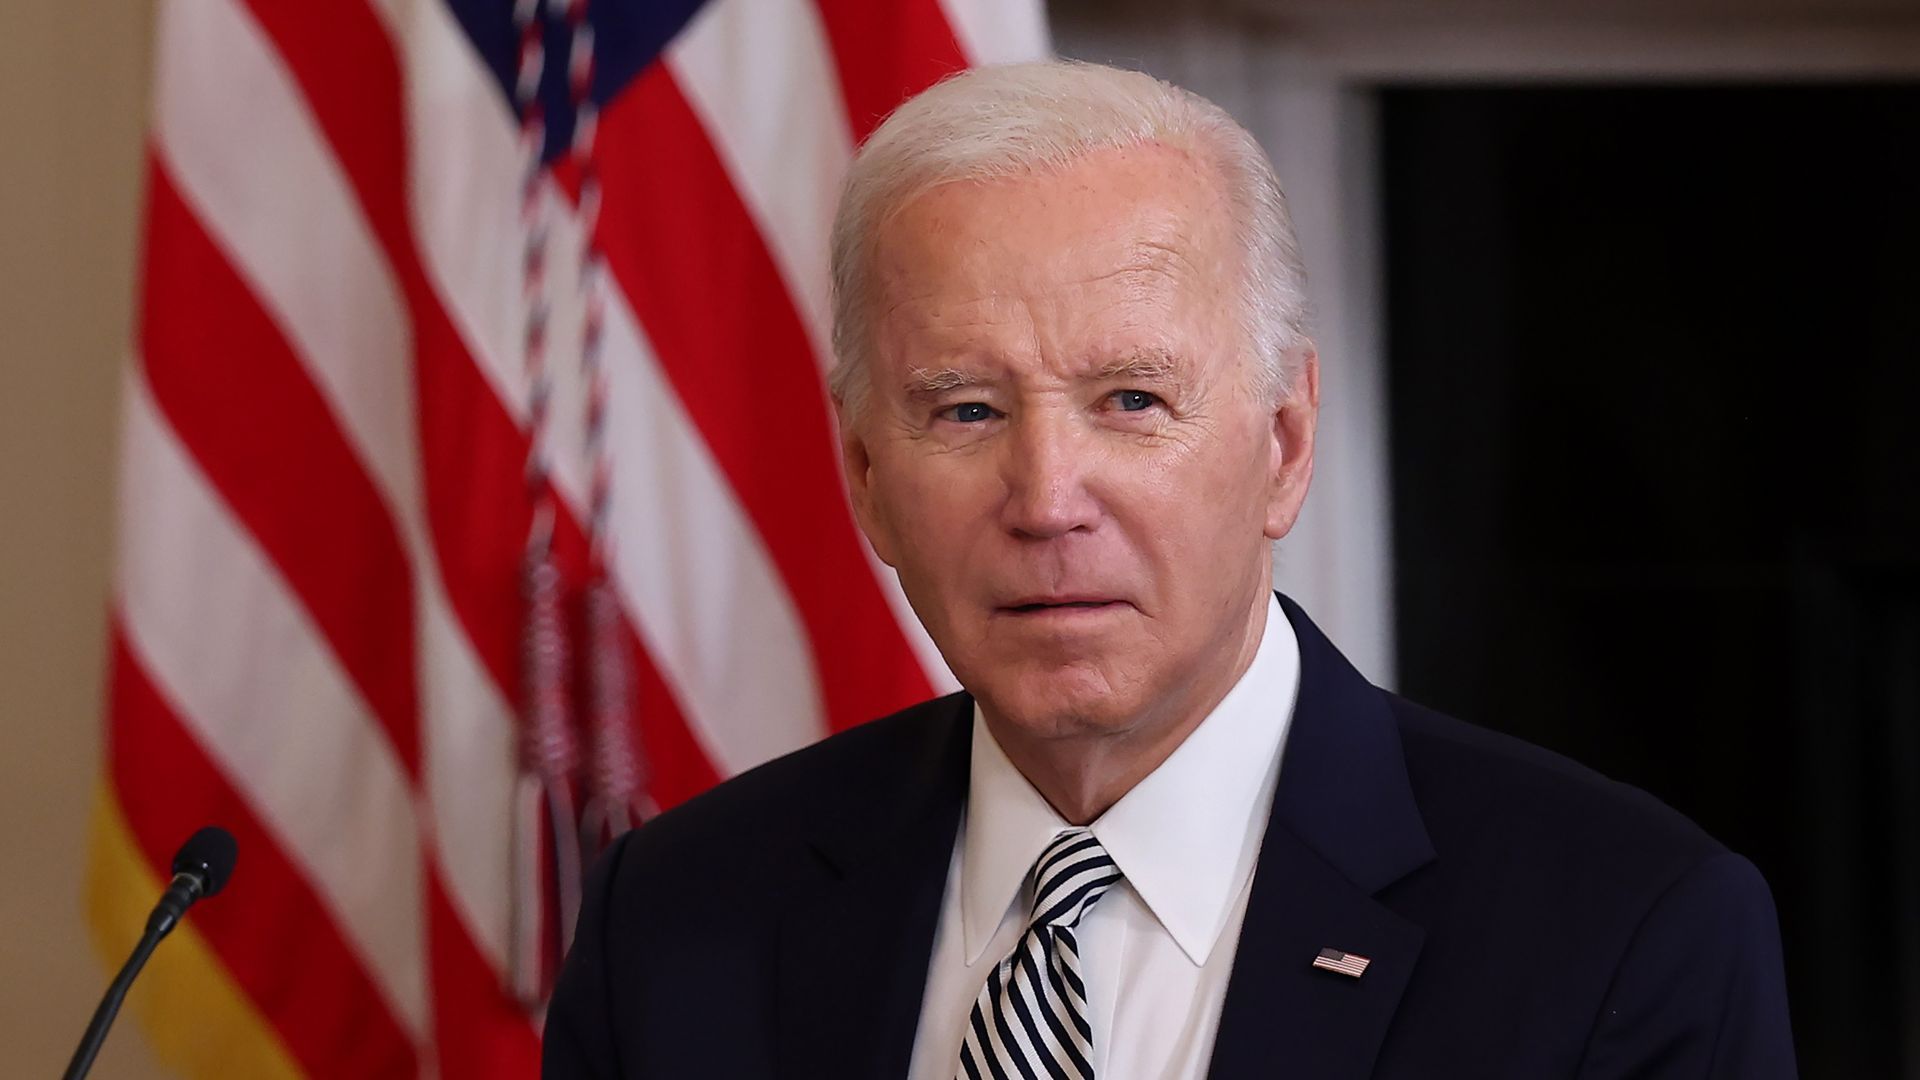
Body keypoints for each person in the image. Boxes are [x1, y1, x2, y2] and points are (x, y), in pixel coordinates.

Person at [542, 60, 1796, 1079]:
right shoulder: (676, 923)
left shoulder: (1624, 937)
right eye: (967, 411)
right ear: (868, 477)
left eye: (1132, 399)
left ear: (1283, 446)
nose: (1045, 502)